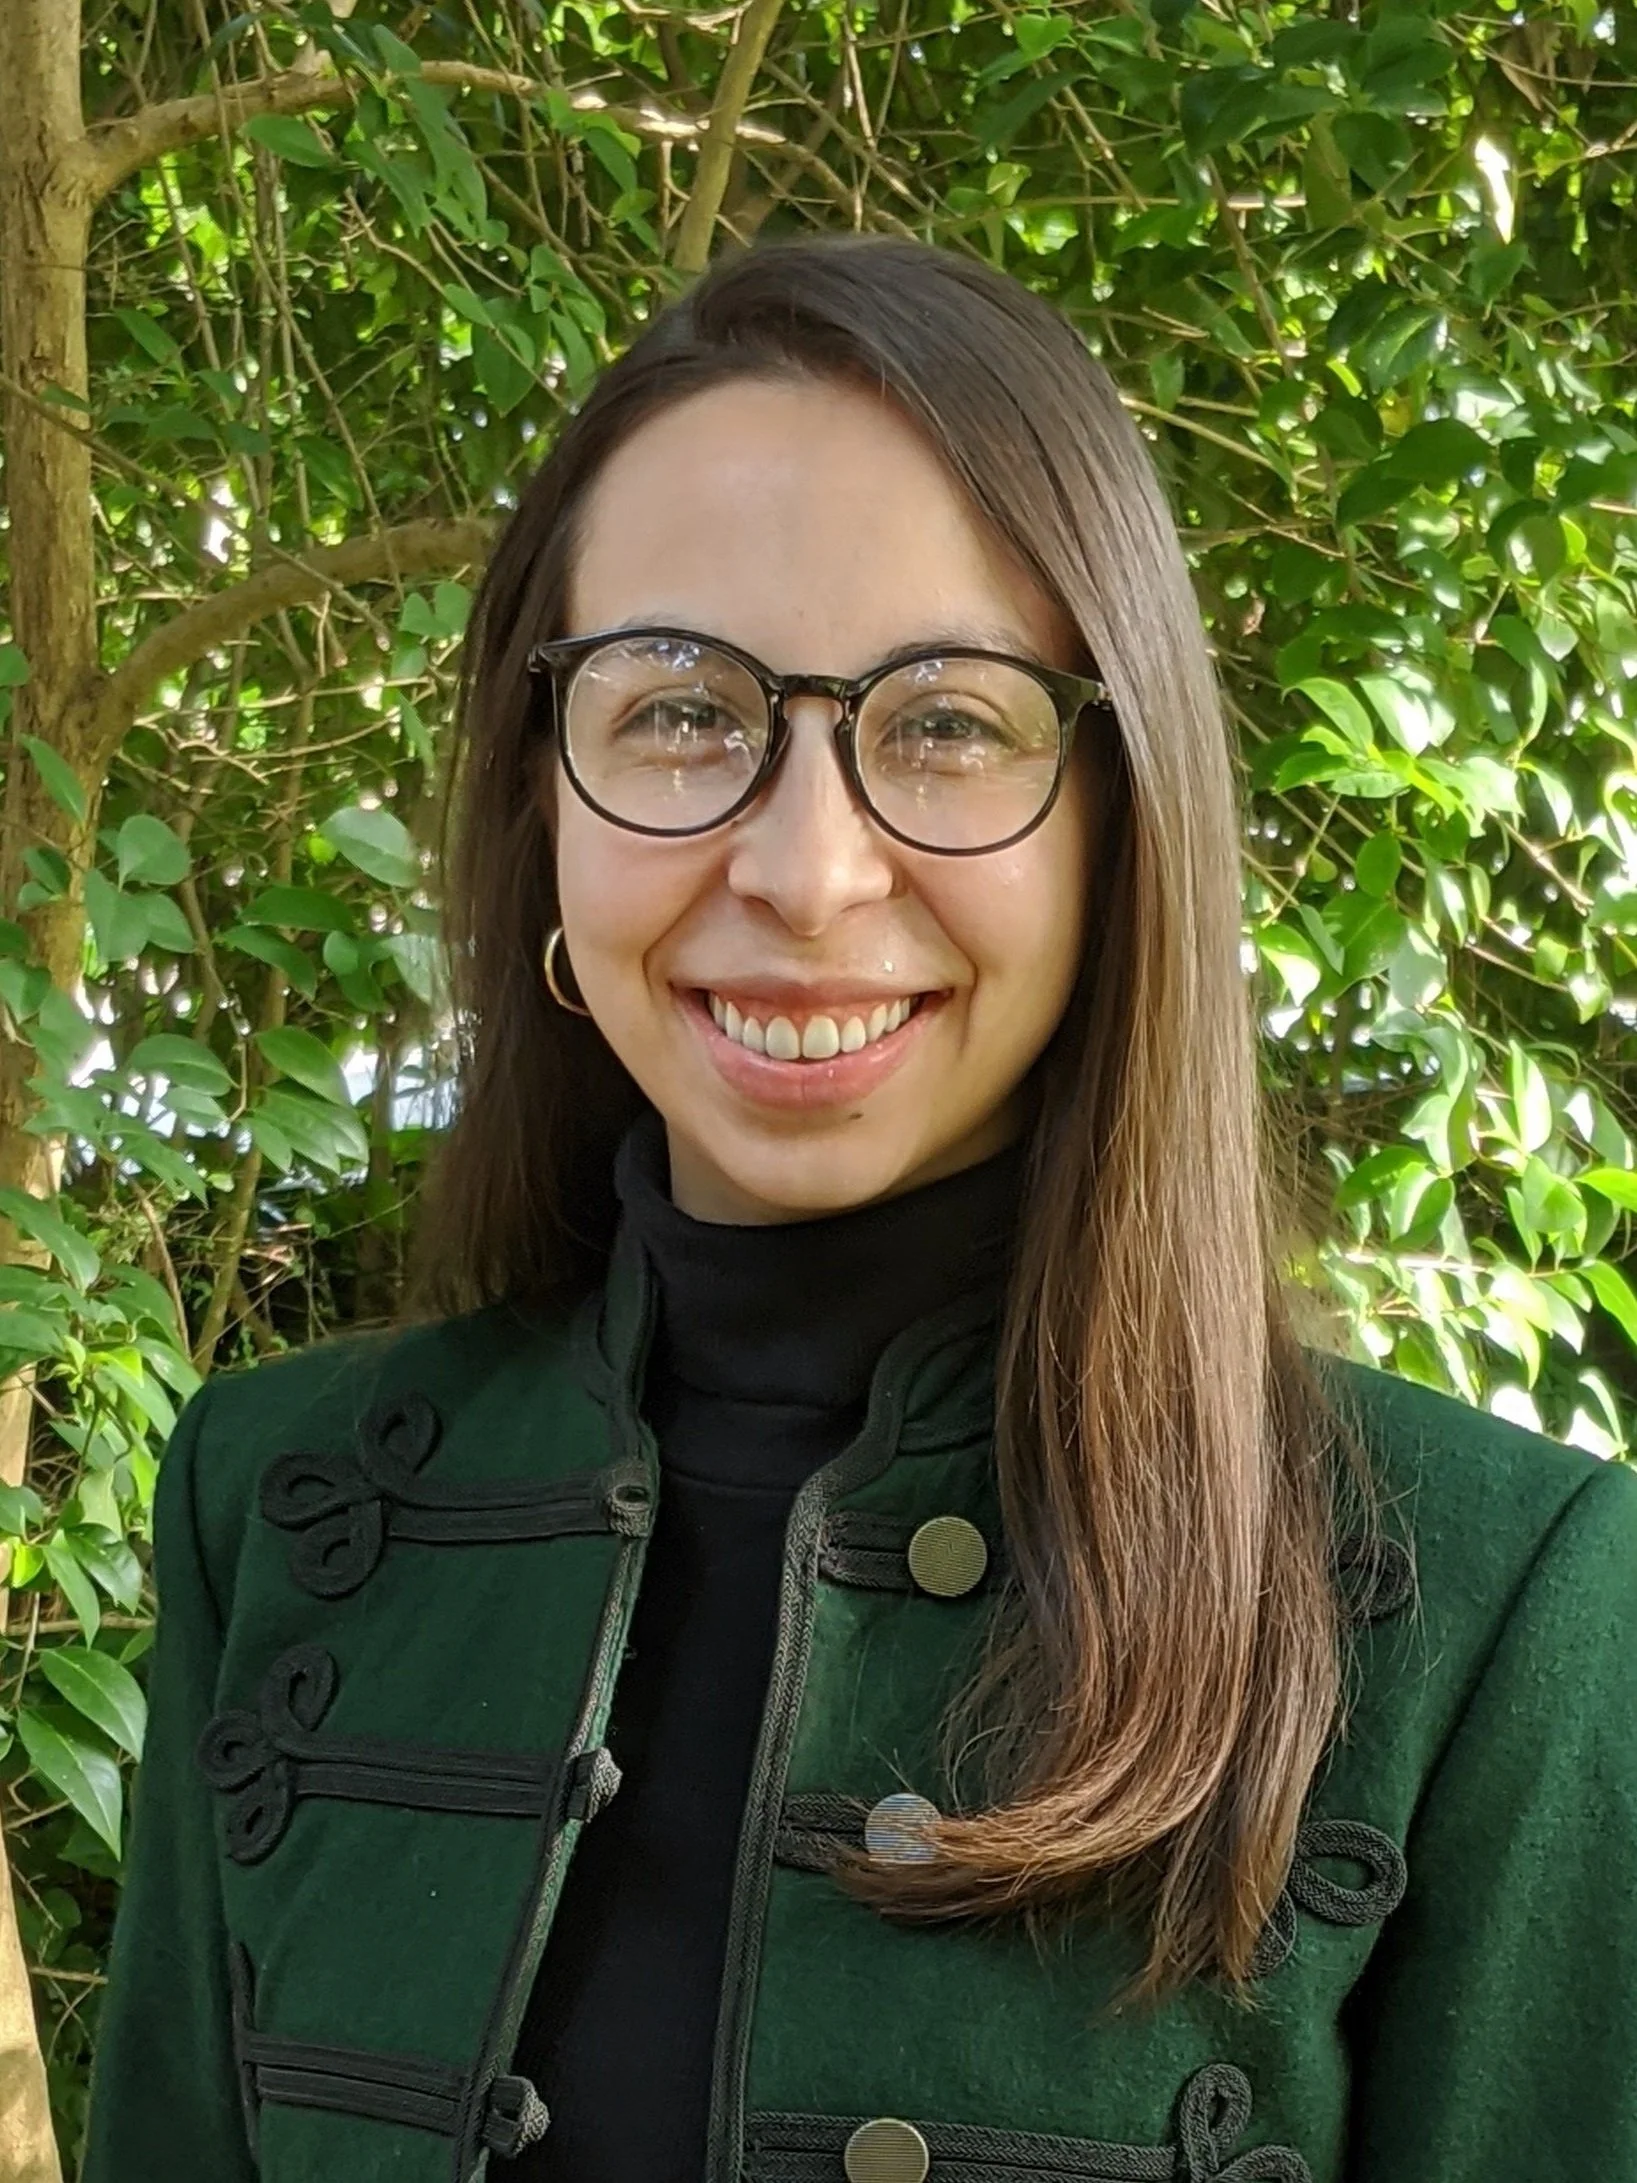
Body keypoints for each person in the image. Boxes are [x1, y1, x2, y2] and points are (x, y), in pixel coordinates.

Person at [82, 235, 1637, 2183]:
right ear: (537, 791)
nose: (806, 871)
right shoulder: (277, 1507)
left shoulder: (1502, 1604)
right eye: (677, 710)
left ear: (1118, 817)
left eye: (946, 721)